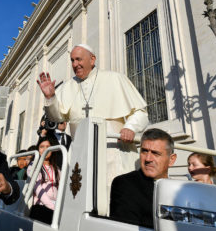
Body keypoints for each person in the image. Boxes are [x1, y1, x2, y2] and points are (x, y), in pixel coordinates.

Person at [37, 43, 149, 179]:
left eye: (79, 59)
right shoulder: (67, 86)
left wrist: (130, 128)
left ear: (92, 59)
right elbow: (56, 117)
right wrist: (50, 98)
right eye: (72, 60)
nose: (75, 64)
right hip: (80, 151)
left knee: (112, 191)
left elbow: (140, 112)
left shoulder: (114, 78)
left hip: (112, 149)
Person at [109, 128, 177, 228]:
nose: (148, 159)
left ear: (171, 160)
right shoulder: (125, 184)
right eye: (144, 151)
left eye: (155, 153)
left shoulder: (180, 190)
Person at [27, 135, 61, 225]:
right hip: (41, 206)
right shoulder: (33, 165)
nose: (45, 149)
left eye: (48, 147)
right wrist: (52, 206)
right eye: (42, 147)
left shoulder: (56, 168)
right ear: (38, 150)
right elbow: (37, 188)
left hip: (56, 206)